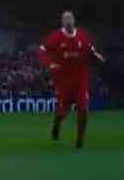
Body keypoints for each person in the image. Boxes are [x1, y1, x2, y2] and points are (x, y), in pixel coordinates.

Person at [38, 10, 104, 149]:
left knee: (84, 109)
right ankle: (56, 124)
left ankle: (80, 141)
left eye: (70, 18)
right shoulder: (55, 37)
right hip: (63, 80)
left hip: (80, 80)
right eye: (65, 19)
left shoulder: (82, 36)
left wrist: (97, 56)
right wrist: (49, 63)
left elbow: (91, 50)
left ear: (74, 20)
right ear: (62, 22)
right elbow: (43, 51)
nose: (68, 21)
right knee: (62, 112)